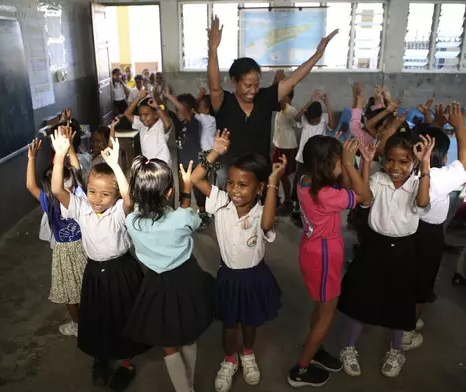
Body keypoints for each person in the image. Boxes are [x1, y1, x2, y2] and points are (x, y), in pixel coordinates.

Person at [50, 130, 150, 391]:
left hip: (121, 270)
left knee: (123, 315)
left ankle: (126, 362)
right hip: (94, 271)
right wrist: (60, 156)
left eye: (105, 194)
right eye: (92, 191)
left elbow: (128, 197)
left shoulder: (119, 210)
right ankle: (101, 358)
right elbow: (57, 189)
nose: (97, 199)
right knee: (97, 316)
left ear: (115, 196)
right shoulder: (81, 207)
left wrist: (116, 166)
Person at [190, 130, 285, 392]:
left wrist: (274, 181)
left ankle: (248, 353)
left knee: (249, 322)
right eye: (231, 183)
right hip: (229, 276)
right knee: (230, 324)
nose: (234, 190)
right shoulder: (220, 203)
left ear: (260, 188)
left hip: (253, 276)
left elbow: (267, 223)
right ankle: (230, 359)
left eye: (243, 185)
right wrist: (216, 151)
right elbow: (197, 178)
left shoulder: (261, 213)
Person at [337, 130, 435, 379]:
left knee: (400, 303)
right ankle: (348, 347)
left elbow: (423, 204)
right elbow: (365, 198)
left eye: (403, 161)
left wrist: (425, 166)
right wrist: (366, 164)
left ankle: (396, 350)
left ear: (412, 162)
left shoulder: (418, 183)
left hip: (403, 249)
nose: (395, 167)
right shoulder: (378, 180)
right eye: (390, 159)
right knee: (361, 298)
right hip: (374, 246)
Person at [207, 15, 339, 187]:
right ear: (234, 80)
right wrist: (213, 50)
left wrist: (318, 54)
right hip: (230, 172)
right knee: (227, 210)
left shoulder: (265, 98)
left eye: (256, 85)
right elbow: (214, 85)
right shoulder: (224, 102)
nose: (253, 90)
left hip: (260, 170)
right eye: (247, 85)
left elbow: (293, 80)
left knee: (262, 211)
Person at [286, 136, 373, 387]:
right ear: (327, 164)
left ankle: (316, 348)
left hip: (312, 250)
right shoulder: (325, 195)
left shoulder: (306, 181)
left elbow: (347, 186)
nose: (343, 166)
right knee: (327, 313)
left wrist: (351, 164)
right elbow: (365, 196)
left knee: (321, 306)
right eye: (338, 161)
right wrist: (350, 163)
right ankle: (301, 369)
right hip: (324, 256)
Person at [124, 158, 215, 392]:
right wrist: (187, 191)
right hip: (186, 280)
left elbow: (131, 203)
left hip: (155, 284)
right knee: (188, 334)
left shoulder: (132, 222)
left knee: (168, 342)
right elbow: (192, 220)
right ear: (169, 192)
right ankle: (191, 384)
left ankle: (184, 390)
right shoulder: (181, 219)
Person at [410, 102, 466, 339]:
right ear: (445, 157)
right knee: (422, 283)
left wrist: (435, 124)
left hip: (405, 230)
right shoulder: (440, 178)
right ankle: (407, 331)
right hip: (428, 236)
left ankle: (395, 312)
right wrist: (460, 126)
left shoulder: (404, 170)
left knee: (403, 274)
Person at [25, 135, 87, 337]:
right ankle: (96, 320)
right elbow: (77, 171)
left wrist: (31, 158)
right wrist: (68, 149)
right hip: (85, 248)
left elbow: (30, 187)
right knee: (89, 288)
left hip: (63, 252)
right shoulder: (79, 197)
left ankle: (78, 325)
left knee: (71, 294)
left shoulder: (49, 200)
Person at [163, 88, 211, 228]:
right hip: (182, 165)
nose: (179, 113)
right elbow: (165, 109)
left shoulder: (194, 123)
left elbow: (183, 109)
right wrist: (158, 97)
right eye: (177, 111)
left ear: (190, 111)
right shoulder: (178, 124)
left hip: (197, 164)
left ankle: (203, 214)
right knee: (184, 190)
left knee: (199, 191)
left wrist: (169, 95)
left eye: (181, 111)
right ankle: (185, 213)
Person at [290, 91, 332, 220]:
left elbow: (332, 125)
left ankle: (314, 203)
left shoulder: (324, 118)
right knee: (299, 180)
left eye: (316, 119)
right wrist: (309, 101)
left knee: (317, 181)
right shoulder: (304, 119)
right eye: (311, 119)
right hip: (303, 158)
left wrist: (327, 104)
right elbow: (296, 117)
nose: (314, 122)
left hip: (319, 158)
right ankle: (296, 204)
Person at [271, 70, 299, 214]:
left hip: (287, 147)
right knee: (278, 173)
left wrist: (281, 82)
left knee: (283, 175)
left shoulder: (290, 109)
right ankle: (278, 198)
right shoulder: (281, 107)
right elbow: (271, 96)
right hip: (279, 145)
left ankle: (288, 201)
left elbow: (279, 99)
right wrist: (276, 80)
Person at [123, 88, 173, 166]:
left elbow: (167, 124)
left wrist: (156, 106)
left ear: (156, 114)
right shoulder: (142, 124)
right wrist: (139, 97)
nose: (143, 118)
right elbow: (127, 114)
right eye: (140, 115)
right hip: (149, 165)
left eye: (146, 115)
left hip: (162, 165)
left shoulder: (160, 125)